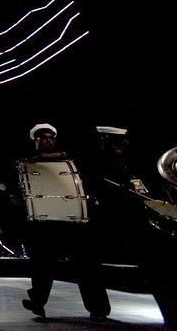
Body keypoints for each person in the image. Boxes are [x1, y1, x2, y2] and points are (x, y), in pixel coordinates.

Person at [82, 126, 176, 328]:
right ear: (104, 142)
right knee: (88, 263)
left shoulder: (127, 163)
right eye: (116, 142)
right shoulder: (94, 166)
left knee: (155, 270)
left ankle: (170, 314)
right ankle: (98, 308)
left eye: (122, 142)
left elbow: (140, 188)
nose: (122, 146)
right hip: (104, 222)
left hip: (132, 222)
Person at [19, 123, 110, 322]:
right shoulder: (26, 160)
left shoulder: (70, 161)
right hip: (44, 224)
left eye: (50, 138)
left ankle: (99, 308)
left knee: (86, 266)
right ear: (35, 140)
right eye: (43, 138)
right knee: (43, 267)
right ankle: (38, 303)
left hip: (73, 222)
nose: (47, 141)